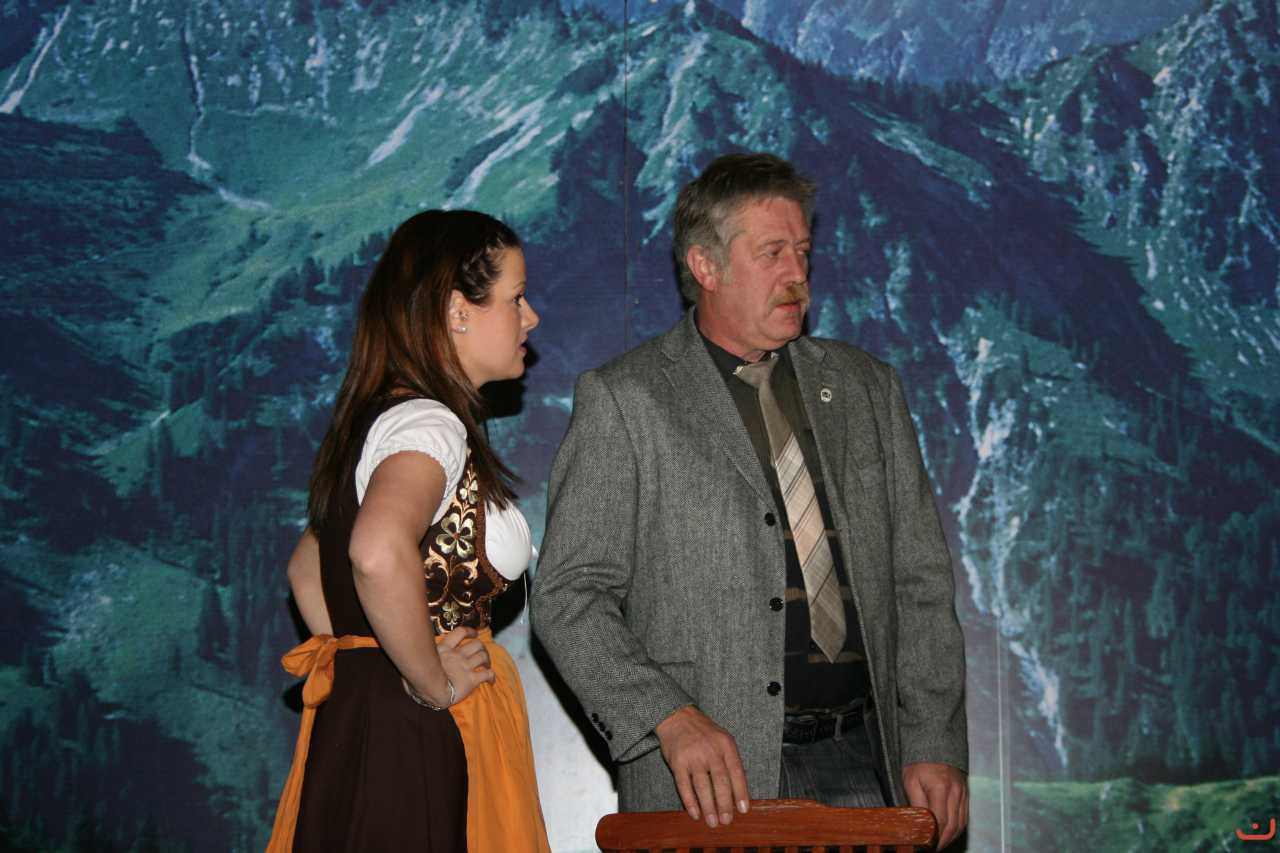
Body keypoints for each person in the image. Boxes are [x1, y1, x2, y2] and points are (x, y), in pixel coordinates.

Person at [532, 153, 968, 848]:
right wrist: (667, 715)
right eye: (772, 253)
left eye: (803, 251)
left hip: (866, 768)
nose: (797, 274)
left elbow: (919, 580)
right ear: (705, 266)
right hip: (706, 791)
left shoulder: (867, 389)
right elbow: (568, 594)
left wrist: (934, 740)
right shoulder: (627, 400)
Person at [267, 210, 550, 853]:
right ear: (457, 311)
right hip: (421, 732)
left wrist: (367, 662)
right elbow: (374, 551)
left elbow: (308, 567)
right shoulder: (429, 426)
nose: (530, 318)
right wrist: (430, 681)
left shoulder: (384, 419)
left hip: (377, 720)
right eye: (516, 298)